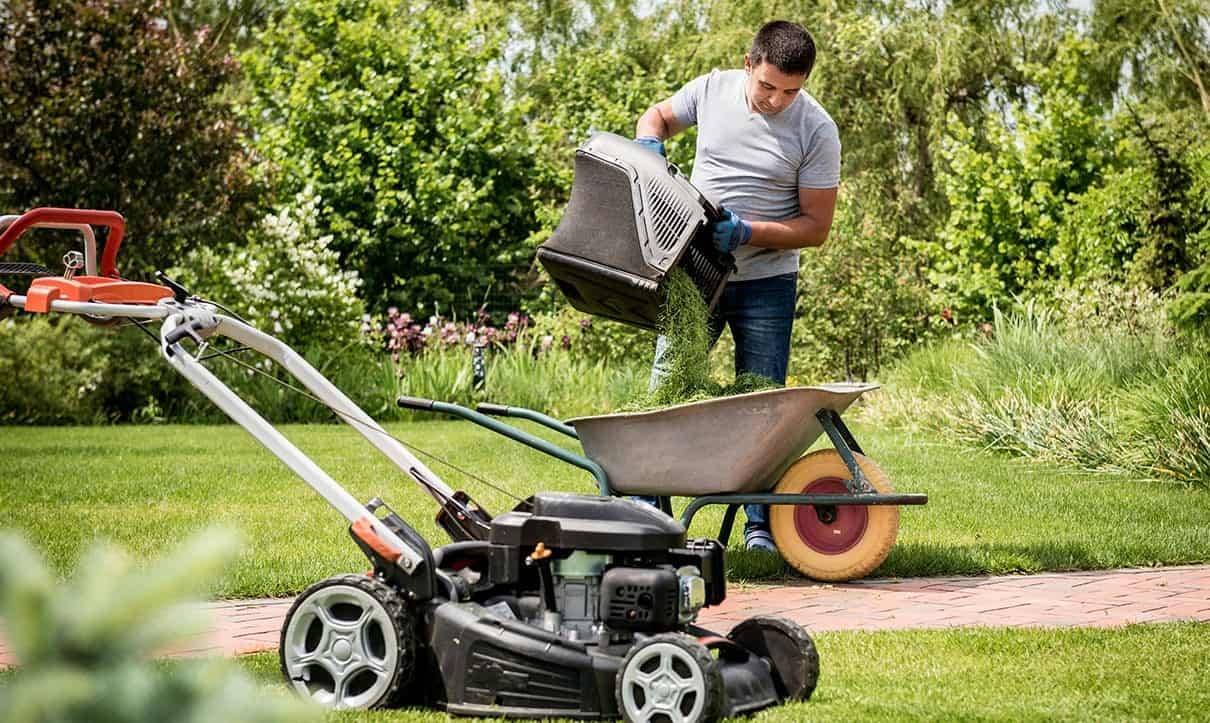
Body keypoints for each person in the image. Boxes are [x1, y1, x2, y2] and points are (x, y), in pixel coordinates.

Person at [633, 20, 840, 553]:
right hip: (695, 276)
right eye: (767, 85)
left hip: (767, 284)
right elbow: (658, 116)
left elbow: (816, 228)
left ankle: (758, 527)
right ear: (748, 65)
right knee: (666, 394)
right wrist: (649, 144)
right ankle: (651, 519)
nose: (776, 100)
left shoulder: (817, 130)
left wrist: (749, 231)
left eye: (790, 91)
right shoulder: (711, 89)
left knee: (762, 408)